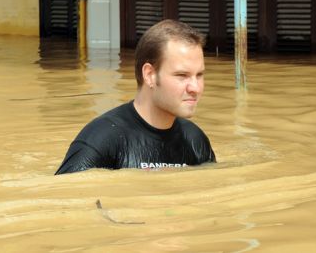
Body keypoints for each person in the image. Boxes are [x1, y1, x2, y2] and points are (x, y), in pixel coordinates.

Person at [55, 19, 215, 174]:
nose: (195, 87)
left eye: (199, 75)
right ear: (150, 75)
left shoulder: (195, 140)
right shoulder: (102, 139)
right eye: (182, 75)